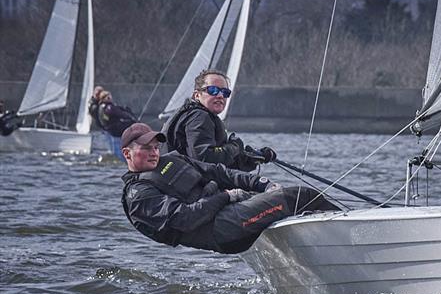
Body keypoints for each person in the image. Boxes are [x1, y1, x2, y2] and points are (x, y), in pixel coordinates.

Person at [120, 123, 338, 254]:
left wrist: (260, 184)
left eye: (156, 147)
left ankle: (333, 241)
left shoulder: (173, 160)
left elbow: (218, 172)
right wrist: (227, 196)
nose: (154, 153)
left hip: (230, 213)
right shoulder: (139, 195)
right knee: (298, 197)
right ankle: (348, 239)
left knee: (298, 196)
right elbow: (185, 218)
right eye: (146, 148)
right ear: (127, 154)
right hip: (220, 230)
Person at [161, 69, 276, 172]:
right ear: (197, 95)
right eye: (213, 90)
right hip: (181, 189)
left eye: (225, 92)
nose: (220, 95)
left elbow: (221, 164)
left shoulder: (196, 114)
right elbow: (204, 158)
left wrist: (251, 159)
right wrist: (235, 147)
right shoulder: (199, 116)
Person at [90, 86, 138, 160]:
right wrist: (130, 118)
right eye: (108, 97)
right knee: (131, 125)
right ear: (104, 98)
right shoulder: (107, 107)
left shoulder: (101, 106)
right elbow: (118, 113)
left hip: (109, 129)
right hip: (113, 130)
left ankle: (122, 155)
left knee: (114, 148)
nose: (110, 99)